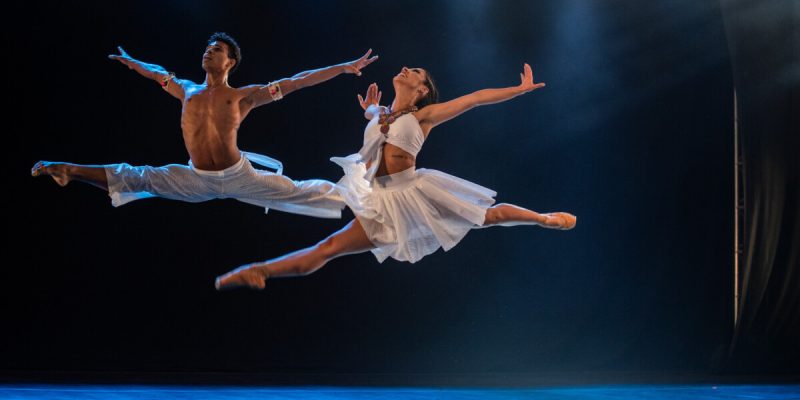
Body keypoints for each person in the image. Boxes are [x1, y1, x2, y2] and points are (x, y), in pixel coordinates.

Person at [216, 62, 576, 289]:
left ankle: (543, 219)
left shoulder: (424, 115)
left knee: (489, 216)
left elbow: (475, 99)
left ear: (421, 91)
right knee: (328, 248)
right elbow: (377, 121)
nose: (406, 69)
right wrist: (368, 110)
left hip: (416, 193)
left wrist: (518, 90)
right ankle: (262, 270)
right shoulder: (380, 113)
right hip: (380, 201)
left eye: (415, 72)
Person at [32, 32, 377, 218]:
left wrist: (344, 67)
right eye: (208, 48)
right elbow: (155, 73)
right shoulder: (186, 90)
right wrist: (131, 62)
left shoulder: (244, 96)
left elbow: (296, 81)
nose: (209, 52)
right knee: (139, 176)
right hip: (196, 179)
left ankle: (371, 199)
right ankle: (66, 170)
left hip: (241, 177)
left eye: (217, 49)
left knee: (302, 190)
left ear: (231, 61)